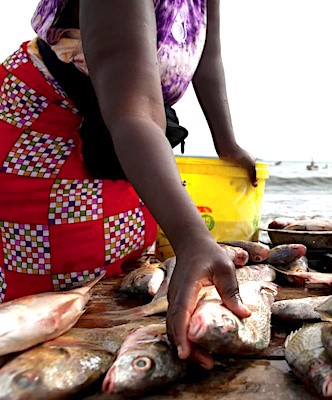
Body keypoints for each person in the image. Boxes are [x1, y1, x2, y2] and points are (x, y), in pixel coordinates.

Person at [0, 0, 257, 369]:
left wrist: (226, 143)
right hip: (49, 126)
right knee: (55, 298)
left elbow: (206, 58)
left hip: (130, 132)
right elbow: (132, 108)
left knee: (126, 268)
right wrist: (193, 239)